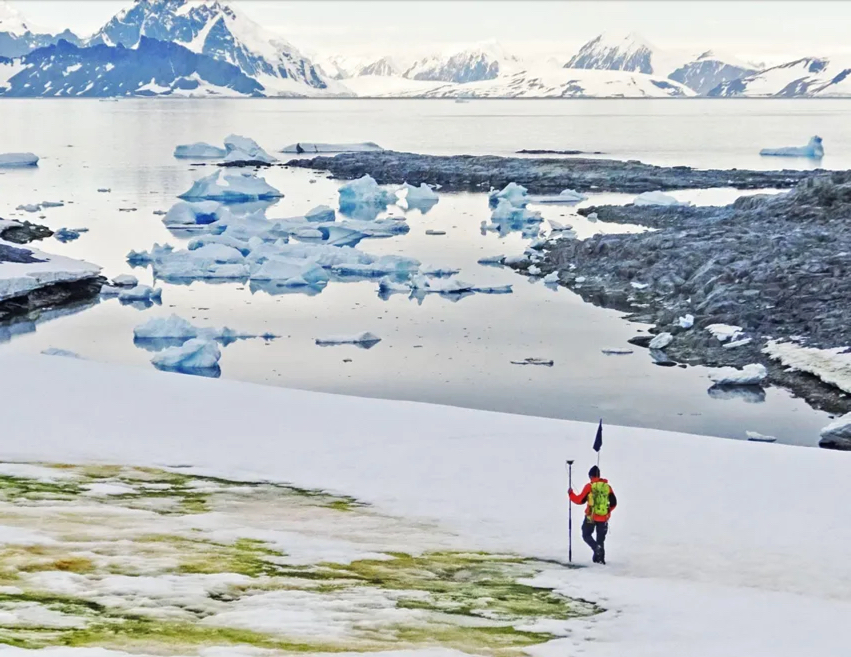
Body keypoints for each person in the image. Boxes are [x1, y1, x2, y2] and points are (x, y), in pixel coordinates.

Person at [569, 465, 617, 564]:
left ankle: (596, 548)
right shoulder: (607, 487)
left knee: (586, 534)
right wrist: (607, 511)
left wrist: (570, 494)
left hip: (590, 516)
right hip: (603, 518)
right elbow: (614, 503)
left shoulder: (589, 486)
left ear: (591, 476)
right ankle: (600, 561)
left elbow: (579, 500)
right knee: (601, 539)